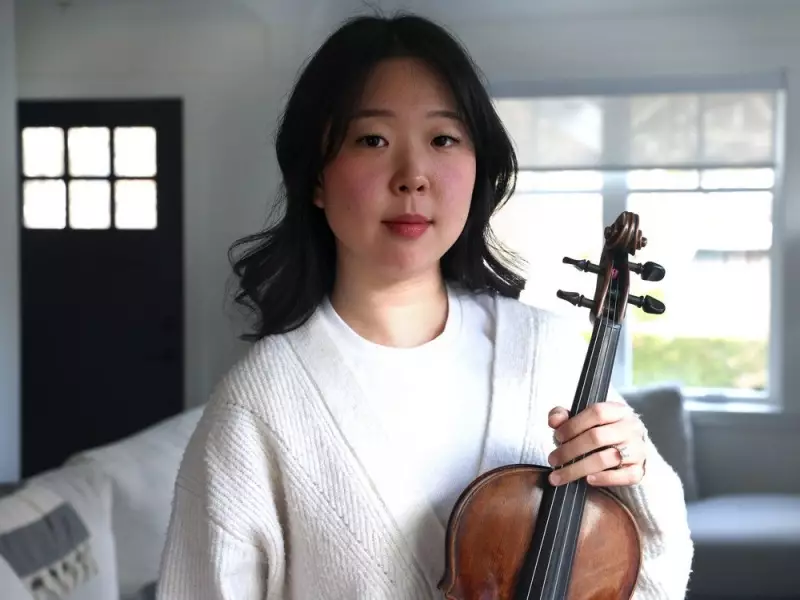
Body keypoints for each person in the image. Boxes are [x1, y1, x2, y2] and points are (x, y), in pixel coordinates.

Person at [156, 12, 694, 600]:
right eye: (372, 140)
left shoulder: (552, 354)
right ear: (316, 178)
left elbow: (655, 580)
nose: (413, 177)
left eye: (443, 139)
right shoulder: (260, 405)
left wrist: (635, 476)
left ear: (477, 167)